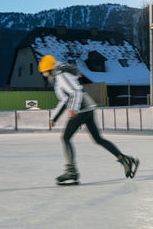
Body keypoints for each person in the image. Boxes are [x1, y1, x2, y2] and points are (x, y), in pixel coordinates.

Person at [39, 55, 138, 184]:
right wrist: (54, 117)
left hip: (81, 109)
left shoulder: (61, 75)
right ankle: (125, 159)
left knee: (66, 138)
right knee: (98, 139)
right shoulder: (60, 76)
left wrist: (74, 109)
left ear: (51, 69)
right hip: (87, 107)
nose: (45, 75)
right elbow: (65, 100)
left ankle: (71, 172)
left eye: (45, 71)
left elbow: (75, 92)